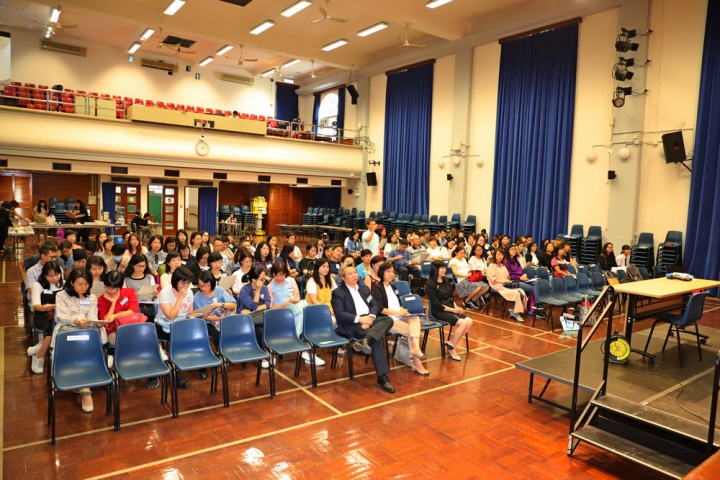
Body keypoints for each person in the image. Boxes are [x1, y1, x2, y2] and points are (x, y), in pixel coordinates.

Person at [331, 264, 395, 393]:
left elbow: (375, 305)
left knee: (388, 319)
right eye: (350, 274)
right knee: (377, 339)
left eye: (355, 272)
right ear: (343, 278)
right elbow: (340, 314)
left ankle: (366, 340)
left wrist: (370, 318)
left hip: (369, 320)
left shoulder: (364, 288)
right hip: (353, 323)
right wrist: (361, 319)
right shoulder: (338, 292)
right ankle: (382, 378)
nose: (354, 275)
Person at [53, 268, 102, 412]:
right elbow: (61, 316)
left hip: (87, 329)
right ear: (71, 283)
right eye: (80, 284)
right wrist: (77, 321)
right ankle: (86, 389)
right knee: (78, 344)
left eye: (86, 284)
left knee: (88, 342)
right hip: (67, 328)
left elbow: (92, 315)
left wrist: (93, 322)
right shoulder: (62, 295)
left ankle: (84, 384)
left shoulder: (92, 297)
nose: (83, 287)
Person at [371, 262, 428, 375]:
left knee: (415, 317)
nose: (391, 274)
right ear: (382, 273)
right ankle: (417, 362)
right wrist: (398, 312)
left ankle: (415, 349)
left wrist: (403, 310)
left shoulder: (393, 287)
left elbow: (398, 304)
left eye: (393, 272)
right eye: (388, 271)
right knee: (413, 331)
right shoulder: (377, 289)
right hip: (387, 320)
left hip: (400, 316)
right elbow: (380, 309)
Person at [154, 267, 194, 388]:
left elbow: (190, 313)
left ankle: (200, 366)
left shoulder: (189, 292)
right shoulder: (165, 293)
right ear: (175, 280)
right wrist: (180, 297)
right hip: (164, 325)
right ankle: (174, 373)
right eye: (182, 283)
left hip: (181, 325)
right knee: (178, 338)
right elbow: (171, 316)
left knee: (198, 333)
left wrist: (202, 313)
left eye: (188, 283)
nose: (185, 286)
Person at [426, 260, 472, 361]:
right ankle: (453, 348)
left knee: (469, 321)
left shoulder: (446, 280)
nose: (444, 270)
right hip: (438, 311)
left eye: (444, 268)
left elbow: (451, 297)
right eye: (441, 268)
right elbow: (436, 303)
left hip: (450, 308)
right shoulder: (430, 284)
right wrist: (453, 310)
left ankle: (452, 343)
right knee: (463, 323)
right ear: (435, 270)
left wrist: (456, 307)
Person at [194, 270, 237, 379]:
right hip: (207, 322)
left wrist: (220, 304)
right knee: (215, 334)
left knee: (232, 330)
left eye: (206, 285)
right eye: (200, 286)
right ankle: (206, 364)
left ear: (212, 283)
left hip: (223, 318)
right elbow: (201, 316)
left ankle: (225, 355)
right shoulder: (197, 297)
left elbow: (233, 306)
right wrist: (217, 318)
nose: (203, 288)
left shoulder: (220, 291)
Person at [27, 261, 64, 374]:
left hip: (60, 315)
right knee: (52, 328)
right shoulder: (38, 285)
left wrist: (54, 307)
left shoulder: (64, 284)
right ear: (44, 276)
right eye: (50, 276)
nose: (55, 278)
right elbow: (36, 306)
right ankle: (39, 356)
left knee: (60, 326)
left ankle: (42, 347)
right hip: (43, 315)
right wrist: (47, 307)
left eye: (57, 274)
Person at [237, 266, 272, 368]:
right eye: (261, 279)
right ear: (254, 279)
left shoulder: (265, 288)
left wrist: (252, 311)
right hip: (247, 319)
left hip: (258, 316)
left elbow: (267, 304)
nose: (264, 281)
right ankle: (261, 356)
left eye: (264, 278)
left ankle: (266, 352)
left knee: (268, 327)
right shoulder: (244, 290)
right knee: (259, 331)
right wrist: (258, 290)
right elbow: (253, 305)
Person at [97, 270, 140, 349]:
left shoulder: (129, 292)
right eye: (107, 287)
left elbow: (133, 310)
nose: (109, 290)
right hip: (114, 330)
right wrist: (113, 303)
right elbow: (106, 321)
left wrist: (115, 316)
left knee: (142, 336)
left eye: (113, 288)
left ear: (120, 286)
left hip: (131, 326)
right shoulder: (101, 299)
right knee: (125, 340)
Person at [486, 249, 527, 323]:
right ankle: (516, 313)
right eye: (498, 254)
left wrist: (508, 279)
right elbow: (492, 279)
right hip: (496, 286)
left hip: (505, 285)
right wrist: (503, 281)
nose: (500, 256)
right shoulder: (491, 266)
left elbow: (507, 276)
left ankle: (514, 311)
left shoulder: (502, 265)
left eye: (502, 255)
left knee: (522, 292)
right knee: (517, 293)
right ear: (494, 255)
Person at [449, 245, 489, 309]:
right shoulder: (453, 260)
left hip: (469, 277)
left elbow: (469, 268)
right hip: (462, 279)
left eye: (463, 253)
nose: (462, 254)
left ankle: (472, 299)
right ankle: (466, 300)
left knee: (486, 287)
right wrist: (466, 275)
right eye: (460, 253)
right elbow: (455, 273)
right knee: (479, 287)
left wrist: (472, 272)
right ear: (456, 253)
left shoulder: (464, 259)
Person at [305, 258, 337, 326]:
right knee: (333, 321)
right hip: (316, 309)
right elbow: (314, 301)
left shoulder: (330, 280)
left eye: (327, 266)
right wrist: (328, 310)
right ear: (317, 268)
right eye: (323, 266)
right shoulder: (312, 281)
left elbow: (337, 295)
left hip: (330, 308)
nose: (326, 269)